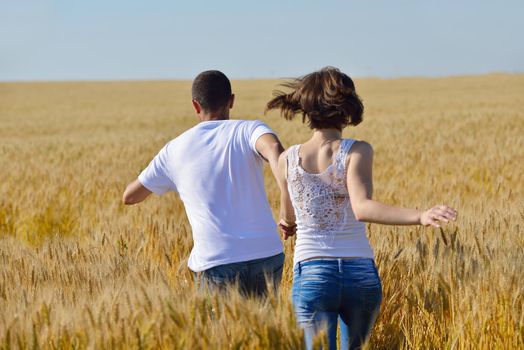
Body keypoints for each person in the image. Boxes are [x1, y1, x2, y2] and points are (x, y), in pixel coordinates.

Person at [267, 67, 457, 349]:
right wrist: (420, 215)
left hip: (313, 275)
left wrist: (287, 223)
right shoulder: (357, 150)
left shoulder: (287, 159)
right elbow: (362, 207)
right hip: (360, 276)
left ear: (306, 110)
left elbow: (287, 215)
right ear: (347, 109)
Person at [123, 70, 285, 297]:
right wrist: (288, 200)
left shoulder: (174, 150)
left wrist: (165, 176)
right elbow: (274, 149)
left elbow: (130, 196)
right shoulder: (249, 129)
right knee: (267, 329)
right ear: (231, 101)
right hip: (266, 253)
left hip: (216, 260)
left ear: (195, 106)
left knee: (219, 332)